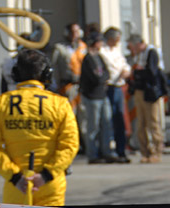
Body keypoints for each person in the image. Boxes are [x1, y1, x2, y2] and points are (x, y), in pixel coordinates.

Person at [0, 48, 79, 207]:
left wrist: (14, 176)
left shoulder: (0, 104)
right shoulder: (60, 104)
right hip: (50, 183)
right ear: (47, 74)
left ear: (15, 74)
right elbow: (70, 144)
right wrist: (46, 175)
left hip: (17, 186)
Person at [78, 32, 118, 164]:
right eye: (99, 41)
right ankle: (92, 154)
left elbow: (106, 72)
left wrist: (103, 78)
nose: (101, 44)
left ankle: (106, 151)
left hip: (103, 95)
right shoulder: (88, 59)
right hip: (92, 96)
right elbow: (94, 77)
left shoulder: (99, 57)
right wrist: (102, 79)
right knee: (93, 126)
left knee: (106, 124)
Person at [127, 34, 167, 163]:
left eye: (133, 46)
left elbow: (152, 72)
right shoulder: (138, 56)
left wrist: (138, 73)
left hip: (150, 93)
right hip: (139, 91)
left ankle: (156, 151)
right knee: (141, 123)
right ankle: (145, 151)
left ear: (139, 44)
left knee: (153, 122)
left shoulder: (151, 52)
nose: (132, 49)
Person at [100, 27, 132, 163]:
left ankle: (121, 149)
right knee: (108, 119)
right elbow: (110, 68)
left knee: (120, 118)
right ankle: (107, 150)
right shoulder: (103, 51)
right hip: (109, 87)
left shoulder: (117, 52)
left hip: (119, 86)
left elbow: (124, 65)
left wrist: (126, 71)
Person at [50, 23, 85, 101]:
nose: (74, 34)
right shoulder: (59, 48)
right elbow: (54, 67)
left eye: (76, 32)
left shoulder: (83, 47)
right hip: (67, 85)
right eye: (72, 32)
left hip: (83, 87)